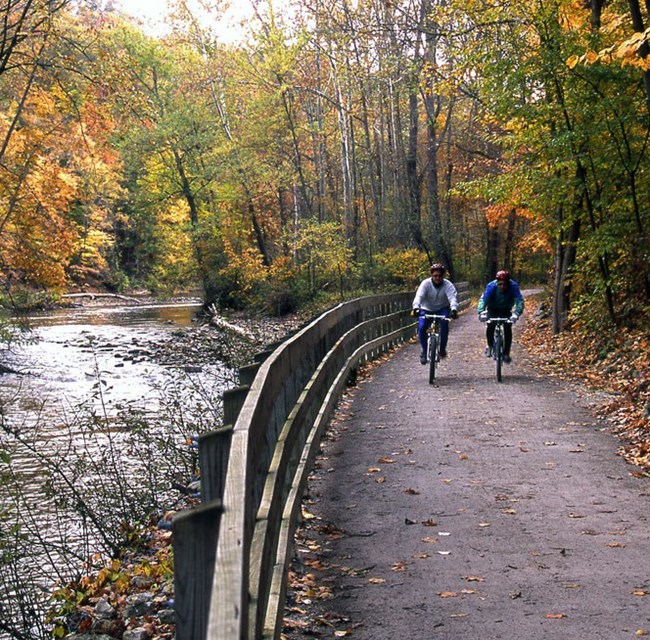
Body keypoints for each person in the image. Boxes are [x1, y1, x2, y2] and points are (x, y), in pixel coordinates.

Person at [411, 263, 459, 364]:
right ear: (432, 275)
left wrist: (454, 309)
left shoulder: (448, 285)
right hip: (426, 309)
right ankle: (424, 351)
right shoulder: (425, 284)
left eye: (440, 276)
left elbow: (452, 298)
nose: (437, 278)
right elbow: (419, 296)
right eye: (435, 276)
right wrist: (416, 307)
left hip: (442, 308)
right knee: (422, 327)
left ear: (443, 276)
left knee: (444, 324)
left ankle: (442, 349)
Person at [477, 270, 524, 363]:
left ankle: (506, 353)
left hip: (506, 310)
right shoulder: (491, 286)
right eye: (500, 284)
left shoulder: (513, 286)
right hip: (493, 308)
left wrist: (516, 314)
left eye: (505, 284)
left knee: (507, 328)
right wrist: (481, 312)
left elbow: (519, 301)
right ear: (497, 282)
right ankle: (490, 345)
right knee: (490, 325)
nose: (502, 286)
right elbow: (483, 299)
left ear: (508, 283)